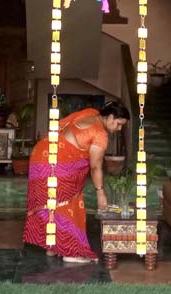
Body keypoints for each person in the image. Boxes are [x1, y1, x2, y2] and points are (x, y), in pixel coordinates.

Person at [23, 101, 130, 263]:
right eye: (118, 123)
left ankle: (53, 246)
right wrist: (100, 193)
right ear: (110, 117)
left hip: (42, 154)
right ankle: (71, 252)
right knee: (69, 202)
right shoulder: (100, 134)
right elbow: (95, 167)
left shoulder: (90, 112)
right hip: (57, 162)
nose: (119, 128)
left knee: (54, 202)